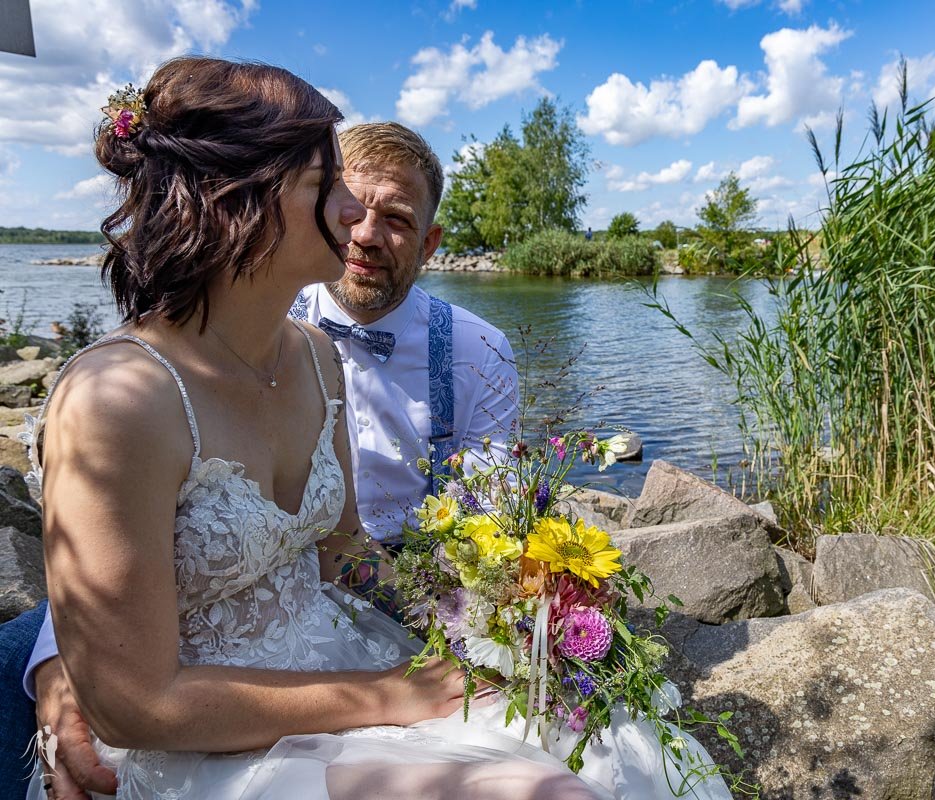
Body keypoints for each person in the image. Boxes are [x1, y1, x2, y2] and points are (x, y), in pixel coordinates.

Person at [14, 59, 731, 800]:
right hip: (216, 721)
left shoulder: (343, 357)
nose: (357, 217)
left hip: (351, 631)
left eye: (393, 216)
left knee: (595, 739)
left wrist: (504, 627)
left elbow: (347, 550)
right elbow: (123, 646)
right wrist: (61, 661)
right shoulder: (123, 395)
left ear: (429, 242)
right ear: (239, 202)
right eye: (333, 187)